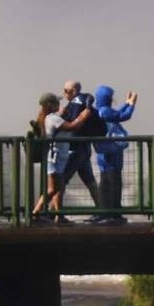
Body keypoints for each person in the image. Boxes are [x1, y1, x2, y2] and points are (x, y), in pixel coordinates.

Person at [54, 80, 106, 221]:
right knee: (90, 180)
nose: (64, 93)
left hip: (76, 149)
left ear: (74, 90)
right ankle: (101, 211)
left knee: (61, 180)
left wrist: (62, 118)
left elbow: (75, 124)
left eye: (66, 90)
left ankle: (57, 215)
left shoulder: (77, 101)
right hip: (84, 148)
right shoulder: (82, 99)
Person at [91, 86, 138, 225]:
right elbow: (123, 116)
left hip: (103, 151)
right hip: (112, 151)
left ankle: (104, 211)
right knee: (114, 181)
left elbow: (116, 114)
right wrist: (132, 104)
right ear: (107, 98)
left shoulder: (100, 111)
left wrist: (127, 103)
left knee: (105, 181)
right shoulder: (105, 111)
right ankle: (114, 213)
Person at [29, 93, 73, 226]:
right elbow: (72, 127)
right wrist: (85, 113)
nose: (59, 105)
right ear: (50, 105)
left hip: (54, 156)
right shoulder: (52, 118)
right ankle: (35, 213)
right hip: (55, 157)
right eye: (56, 103)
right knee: (53, 189)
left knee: (57, 188)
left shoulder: (46, 118)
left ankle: (58, 216)